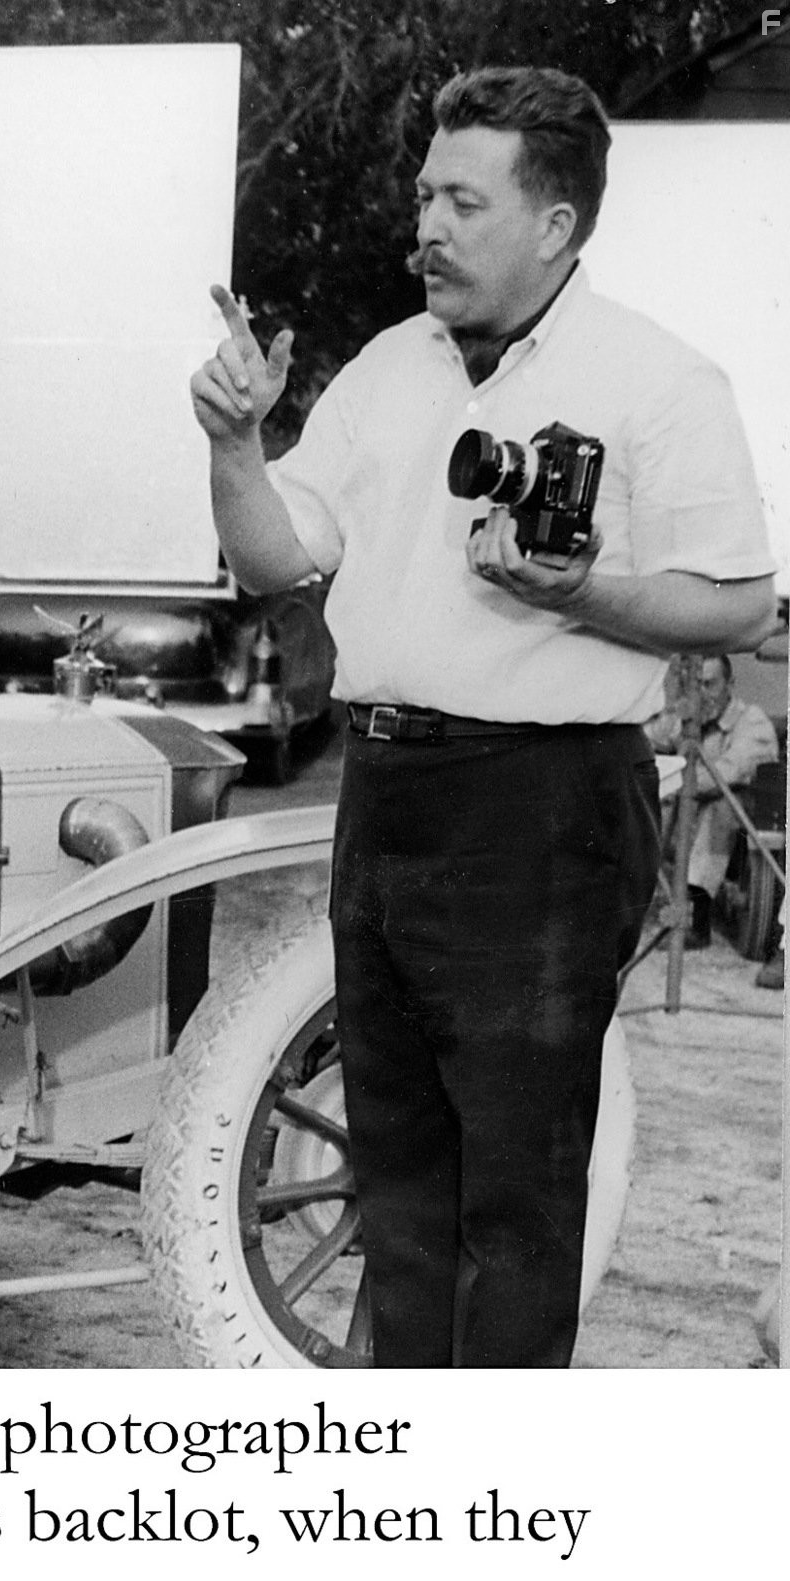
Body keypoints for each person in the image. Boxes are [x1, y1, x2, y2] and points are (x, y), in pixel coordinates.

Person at [189, 66, 775, 1367]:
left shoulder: (660, 380)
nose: (427, 226)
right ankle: (417, 1491)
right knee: (398, 1182)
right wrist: (234, 444)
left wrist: (587, 594)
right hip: (386, 792)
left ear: (555, 223)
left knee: (511, 1206)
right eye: (422, 196)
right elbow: (275, 559)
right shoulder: (391, 369)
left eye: (463, 199)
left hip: (546, 808)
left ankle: (496, 1511)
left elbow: (738, 606)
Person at [643, 654, 781, 949]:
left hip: (740, 834)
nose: (702, 694)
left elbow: (727, 774)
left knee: (719, 803)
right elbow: (646, 739)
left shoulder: (751, 721)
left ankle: (697, 919)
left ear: (730, 684)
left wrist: (670, 780)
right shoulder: (690, 718)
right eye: (694, 685)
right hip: (689, 818)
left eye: (709, 684)